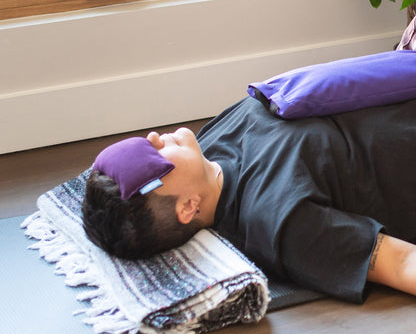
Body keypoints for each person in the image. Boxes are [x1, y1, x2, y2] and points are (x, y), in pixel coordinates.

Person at [82, 20, 416, 304]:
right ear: (188, 207)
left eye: (142, 143)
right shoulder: (281, 227)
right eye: (152, 159)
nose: (155, 138)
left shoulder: (210, 143)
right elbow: (402, 263)